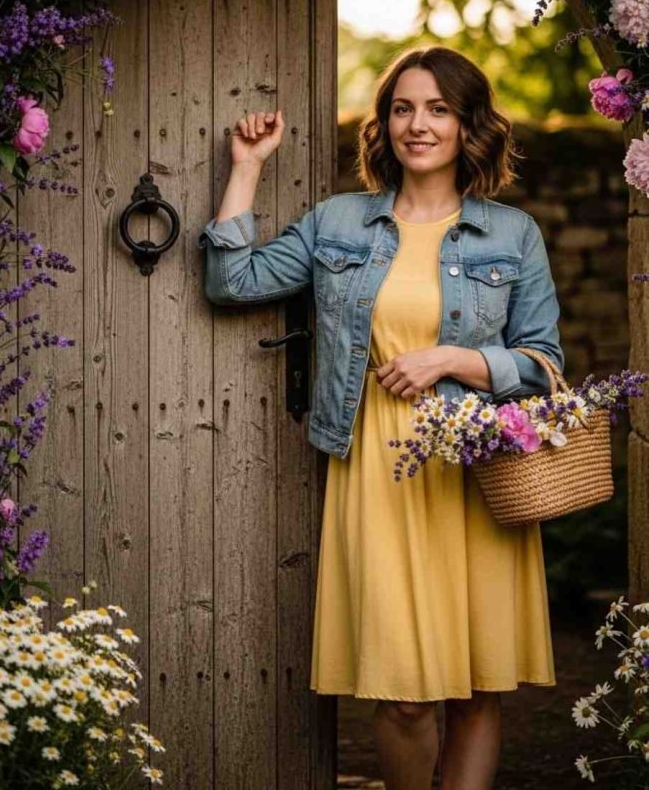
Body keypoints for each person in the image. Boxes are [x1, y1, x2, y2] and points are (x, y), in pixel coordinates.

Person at [197, 45, 564, 790]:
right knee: (400, 700)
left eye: (436, 109)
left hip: (472, 475)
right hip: (378, 471)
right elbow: (230, 281)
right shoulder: (339, 222)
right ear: (383, 124)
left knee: (476, 687)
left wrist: (452, 360)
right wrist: (246, 166)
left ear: (467, 126)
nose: (416, 125)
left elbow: (541, 362)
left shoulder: (510, 233)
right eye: (401, 108)